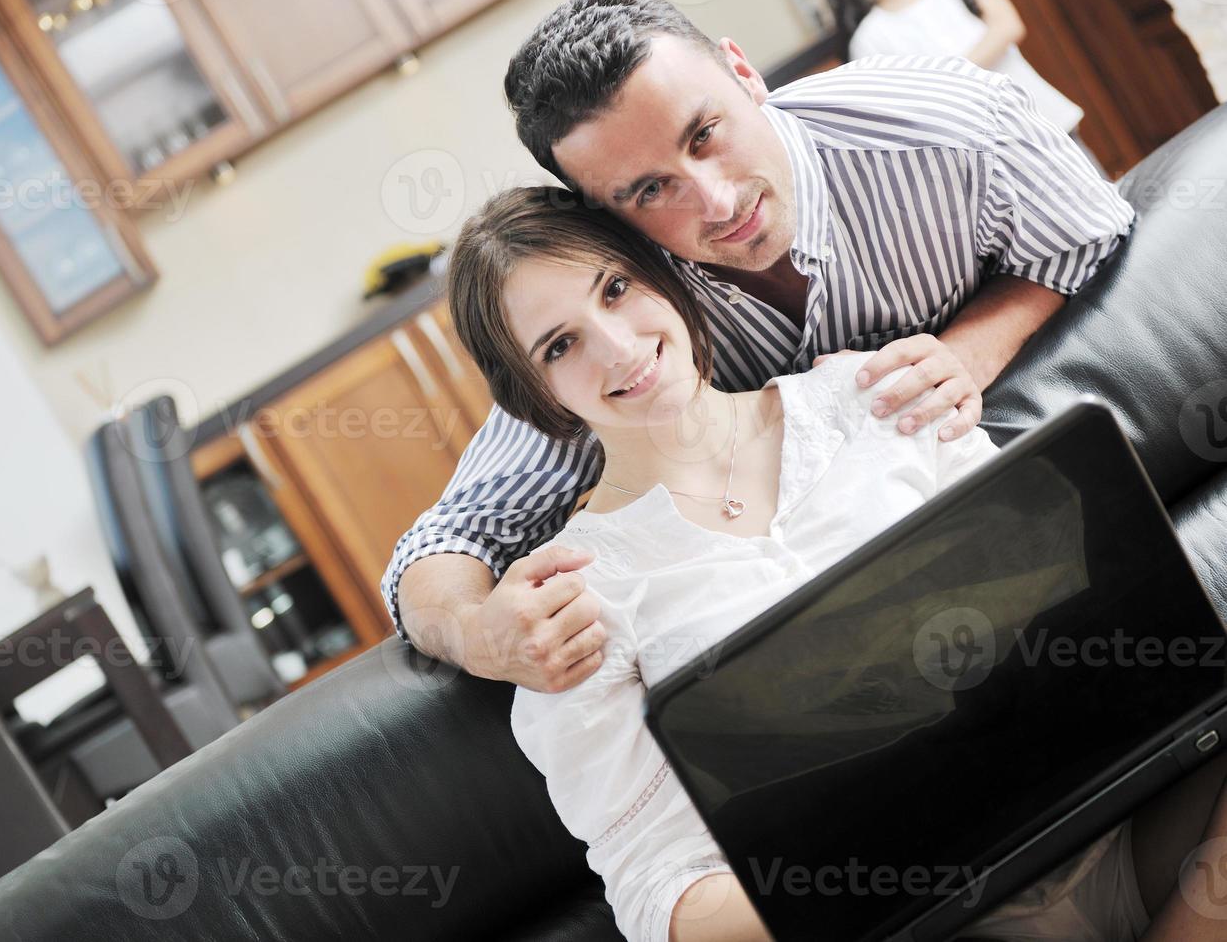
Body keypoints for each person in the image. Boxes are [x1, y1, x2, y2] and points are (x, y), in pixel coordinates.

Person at [447, 184, 1227, 942]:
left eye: (615, 289)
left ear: (662, 275)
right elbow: (656, 886)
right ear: (533, 396)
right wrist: (865, 874)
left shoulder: (874, 394)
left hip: (1124, 823)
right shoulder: (564, 602)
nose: (617, 346)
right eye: (560, 345)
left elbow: (1076, 596)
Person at [385, 0, 1134, 696]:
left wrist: (971, 349)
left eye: (705, 134)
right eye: (649, 190)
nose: (716, 201)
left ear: (744, 73)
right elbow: (449, 539)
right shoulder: (625, 326)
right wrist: (475, 634)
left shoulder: (950, 124)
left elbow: (1088, 228)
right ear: (605, 217)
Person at [821, 0, 1090, 158]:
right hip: (992, 157)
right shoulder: (869, 40)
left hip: (1046, 121)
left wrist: (947, 80)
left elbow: (1008, 25)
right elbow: (911, 111)